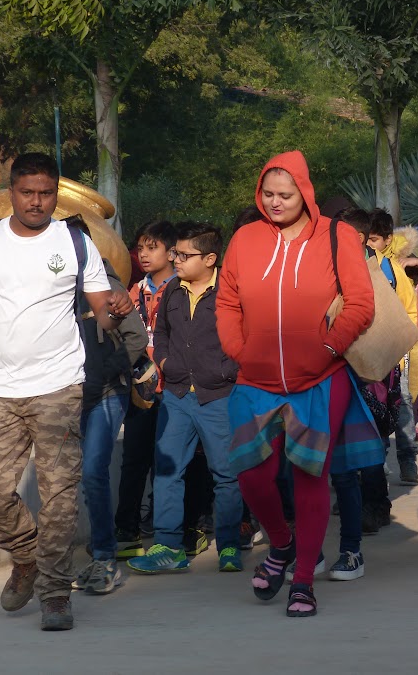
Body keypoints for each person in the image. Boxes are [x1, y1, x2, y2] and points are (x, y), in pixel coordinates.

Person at [0, 152, 133, 631]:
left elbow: (103, 310)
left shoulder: (76, 241)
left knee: (59, 493)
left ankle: (55, 593)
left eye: (45, 193)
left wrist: (116, 310)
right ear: (12, 192)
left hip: (59, 386)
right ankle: (25, 555)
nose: (37, 201)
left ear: (56, 194)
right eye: (27, 192)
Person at [217, 150, 382, 617]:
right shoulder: (245, 239)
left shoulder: (338, 235)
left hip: (321, 381)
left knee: (311, 477)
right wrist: (238, 349)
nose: (275, 202)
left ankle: (304, 580)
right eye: (267, 194)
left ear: (304, 193)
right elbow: (227, 300)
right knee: (251, 474)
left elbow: (359, 303)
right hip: (255, 380)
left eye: (285, 194)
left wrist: (328, 349)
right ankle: (282, 544)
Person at [127, 222, 244, 574]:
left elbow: (247, 335)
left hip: (218, 396)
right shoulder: (174, 290)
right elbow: (160, 331)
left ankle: (229, 546)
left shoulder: (231, 291)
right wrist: (164, 361)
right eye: (175, 253)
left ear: (210, 258)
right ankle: (167, 547)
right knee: (167, 470)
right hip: (177, 395)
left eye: (183, 254)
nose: (176, 260)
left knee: (225, 474)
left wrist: (227, 371)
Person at [63, 216, 148, 595]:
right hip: (61, 395)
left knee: (95, 471)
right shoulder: (51, 288)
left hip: (106, 394)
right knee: (65, 479)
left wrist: (107, 372)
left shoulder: (107, 286)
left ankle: (104, 557)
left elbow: (136, 337)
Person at [114, 221, 178, 557]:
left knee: (170, 460)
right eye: (140, 248)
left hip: (177, 387)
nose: (143, 255)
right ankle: (126, 527)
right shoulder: (133, 292)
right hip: (142, 388)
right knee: (134, 458)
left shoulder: (181, 290)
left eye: (151, 248)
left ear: (171, 252)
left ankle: (171, 524)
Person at [367, 208, 418, 487]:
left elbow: (411, 311)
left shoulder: (394, 271)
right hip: (367, 356)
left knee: (402, 406)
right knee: (375, 409)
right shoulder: (360, 267)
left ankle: (408, 459)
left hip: (397, 354)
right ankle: (378, 461)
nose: (368, 244)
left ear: (387, 240)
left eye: (373, 239)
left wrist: (403, 345)